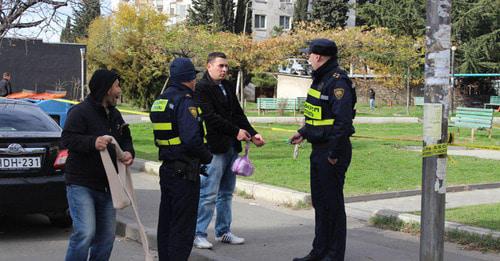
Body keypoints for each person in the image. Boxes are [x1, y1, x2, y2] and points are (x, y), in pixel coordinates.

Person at [290, 39, 356, 261]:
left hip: (331, 152)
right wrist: (304, 132)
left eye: (309, 55)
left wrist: (334, 155)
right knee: (320, 204)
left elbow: (342, 122)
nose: (307, 58)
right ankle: (319, 252)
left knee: (333, 206)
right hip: (319, 148)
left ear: (317, 57)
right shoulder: (321, 80)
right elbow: (319, 116)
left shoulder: (338, 82)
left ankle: (334, 255)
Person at [193, 52, 265, 249]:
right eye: (220, 66)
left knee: (226, 193)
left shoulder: (227, 86)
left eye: (226, 67)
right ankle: (198, 233)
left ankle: (223, 231)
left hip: (232, 148)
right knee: (208, 194)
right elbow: (210, 117)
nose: (224, 70)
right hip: (214, 149)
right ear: (209, 66)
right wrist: (236, 132)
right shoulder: (202, 88)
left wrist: (253, 132)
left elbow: (238, 114)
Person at [62, 69, 135, 261]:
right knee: (85, 232)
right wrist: (92, 142)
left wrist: (128, 153)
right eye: (117, 86)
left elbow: (126, 138)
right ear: (106, 89)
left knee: (106, 238)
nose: (120, 91)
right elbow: (67, 139)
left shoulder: (115, 115)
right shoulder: (79, 112)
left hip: (108, 186)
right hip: (81, 184)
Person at [150, 57, 213, 260]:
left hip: (167, 168)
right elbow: (192, 139)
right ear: (188, 78)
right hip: (184, 171)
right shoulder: (185, 101)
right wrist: (207, 156)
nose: (195, 81)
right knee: (182, 226)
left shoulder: (161, 100)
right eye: (193, 77)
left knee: (166, 223)